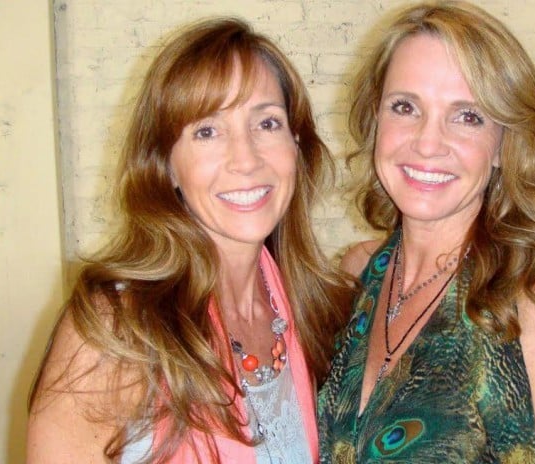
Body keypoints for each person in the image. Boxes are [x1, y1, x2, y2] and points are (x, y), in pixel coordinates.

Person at [27, 18, 351, 463]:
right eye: (207, 131)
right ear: (168, 167)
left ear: (297, 145)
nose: (246, 159)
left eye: (268, 123)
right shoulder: (117, 332)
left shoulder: (314, 310)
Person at [318, 1, 535, 462]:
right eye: (405, 107)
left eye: (468, 116)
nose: (427, 143)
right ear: (376, 119)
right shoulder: (356, 274)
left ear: (503, 145)